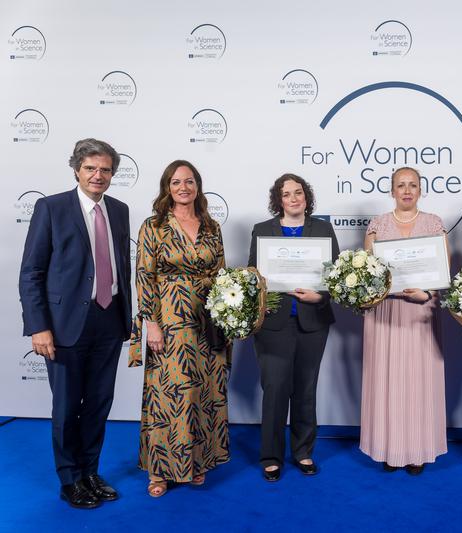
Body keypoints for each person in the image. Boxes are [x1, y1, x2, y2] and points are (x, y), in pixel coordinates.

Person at [19, 138, 132, 509]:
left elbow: (121, 268)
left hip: (109, 319)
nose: (98, 175)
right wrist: (38, 326)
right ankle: (70, 479)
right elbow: (32, 272)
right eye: (90, 169)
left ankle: (90, 472)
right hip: (64, 325)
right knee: (67, 407)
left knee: (99, 403)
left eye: (105, 170)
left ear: (113, 174)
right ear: (76, 170)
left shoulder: (119, 209)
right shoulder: (51, 208)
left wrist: (126, 319)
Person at [128, 160, 229, 498]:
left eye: (189, 181)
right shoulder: (153, 225)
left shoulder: (212, 225)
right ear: (166, 188)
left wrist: (229, 314)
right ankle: (159, 469)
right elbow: (144, 275)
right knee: (169, 394)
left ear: (197, 185)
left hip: (208, 319)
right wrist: (151, 323)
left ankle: (196, 463)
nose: (183, 187)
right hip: (170, 319)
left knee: (203, 392)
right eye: (175, 182)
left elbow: (222, 274)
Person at [248, 174, 340, 482]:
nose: (294, 198)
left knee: (305, 388)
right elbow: (253, 278)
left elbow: (336, 277)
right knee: (275, 390)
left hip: (312, 320)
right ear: (279, 200)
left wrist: (320, 295)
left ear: (306, 196)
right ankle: (271, 456)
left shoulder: (324, 229)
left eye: (298, 192)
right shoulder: (262, 231)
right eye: (286, 194)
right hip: (273, 323)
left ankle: (303, 451)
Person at [360, 166, 447, 475]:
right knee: (387, 380)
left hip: (420, 312)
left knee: (417, 382)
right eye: (401, 185)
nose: (407, 190)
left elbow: (442, 273)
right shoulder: (377, 225)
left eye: (413, 185)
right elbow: (365, 276)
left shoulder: (434, 223)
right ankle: (387, 447)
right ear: (392, 191)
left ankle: (417, 451)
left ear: (421, 189)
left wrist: (426, 295)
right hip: (385, 313)